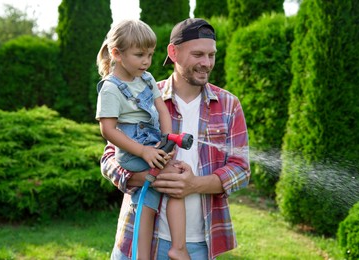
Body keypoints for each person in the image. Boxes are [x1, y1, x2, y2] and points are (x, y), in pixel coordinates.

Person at [100, 18, 251, 260]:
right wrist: (147, 178)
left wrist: (193, 184)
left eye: (211, 55)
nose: (206, 63)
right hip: (138, 238)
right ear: (173, 52)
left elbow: (241, 170)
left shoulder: (229, 105)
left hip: (199, 244)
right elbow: (109, 159)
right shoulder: (142, 96)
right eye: (198, 54)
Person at [96, 19, 189, 260]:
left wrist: (167, 139)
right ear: (117, 54)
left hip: (152, 142)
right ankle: (176, 249)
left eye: (150, 54)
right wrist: (143, 152)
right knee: (174, 179)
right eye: (139, 55)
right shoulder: (110, 88)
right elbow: (108, 130)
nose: (147, 61)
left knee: (151, 195)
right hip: (131, 150)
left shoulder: (146, 79)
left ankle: (150, 254)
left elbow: (162, 110)